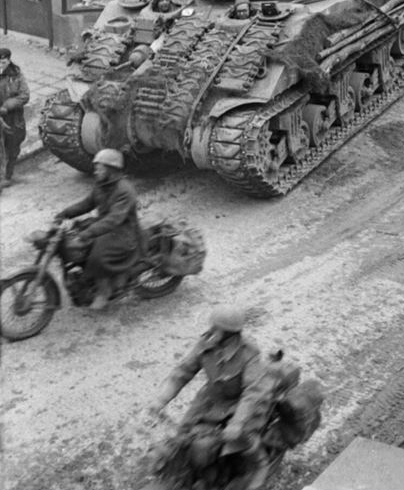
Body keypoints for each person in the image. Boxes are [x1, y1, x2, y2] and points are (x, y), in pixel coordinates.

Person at [149, 306, 274, 489]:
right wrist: (161, 399)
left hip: (241, 403)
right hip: (210, 400)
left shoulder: (249, 352)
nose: (211, 331)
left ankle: (259, 464)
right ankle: (190, 473)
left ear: (230, 333)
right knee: (184, 433)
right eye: (212, 327)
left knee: (243, 435)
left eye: (217, 328)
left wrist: (237, 423)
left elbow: (253, 391)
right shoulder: (206, 343)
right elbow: (183, 371)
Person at [54, 148, 142, 309]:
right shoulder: (102, 185)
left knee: (97, 255)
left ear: (111, 169)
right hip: (104, 225)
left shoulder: (125, 190)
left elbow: (114, 219)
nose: (95, 171)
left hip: (123, 230)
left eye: (99, 168)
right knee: (74, 239)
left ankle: (104, 291)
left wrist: (88, 233)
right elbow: (87, 204)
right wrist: (65, 214)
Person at [0, 48, 30, 188]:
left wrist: (7, 106)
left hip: (14, 118)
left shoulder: (16, 74)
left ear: (9, 60)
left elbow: (24, 95)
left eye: (3, 62)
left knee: (13, 147)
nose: (0, 64)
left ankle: (8, 175)